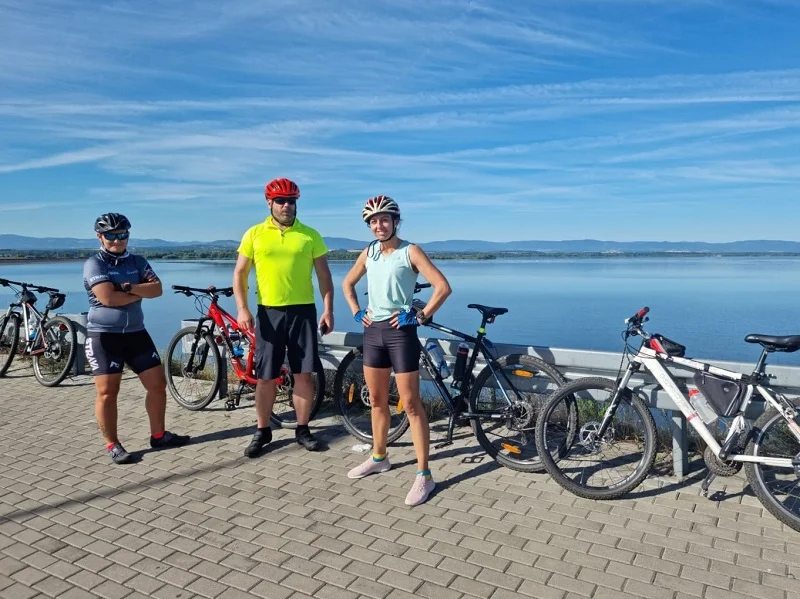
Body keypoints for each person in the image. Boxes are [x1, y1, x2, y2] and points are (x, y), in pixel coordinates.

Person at [342, 195, 452, 506]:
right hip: (373, 332)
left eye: (384, 219)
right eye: (373, 221)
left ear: (395, 221)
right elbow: (348, 284)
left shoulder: (410, 251)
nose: (379, 225)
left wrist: (419, 315)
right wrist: (355, 311)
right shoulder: (369, 252)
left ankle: (424, 476)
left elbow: (442, 287)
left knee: (412, 404)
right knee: (377, 400)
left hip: (401, 333)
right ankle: (379, 457)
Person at [234, 177, 334, 457]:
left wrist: (328, 309)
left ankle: (303, 429)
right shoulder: (254, 233)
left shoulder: (310, 235)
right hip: (269, 312)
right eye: (281, 201)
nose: (286, 205)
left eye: (291, 200)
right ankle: (262, 430)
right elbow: (240, 274)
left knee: (303, 374)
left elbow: (324, 276)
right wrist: (242, 309)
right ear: (269, 203)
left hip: (303, 311)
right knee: (266, 376)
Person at [83, 213, 190, 464]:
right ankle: (113, 444)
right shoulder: (94, 264)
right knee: (108, 392)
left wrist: (127, 288)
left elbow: (157, 289)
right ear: (100, 236)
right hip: (104, 336)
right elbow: (108, 299)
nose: (118, 240)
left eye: (122, 235)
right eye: (111, 235)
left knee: (157, 385)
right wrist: (138, 291)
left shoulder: (138, 261)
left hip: (136, 333)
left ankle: (159, 435)